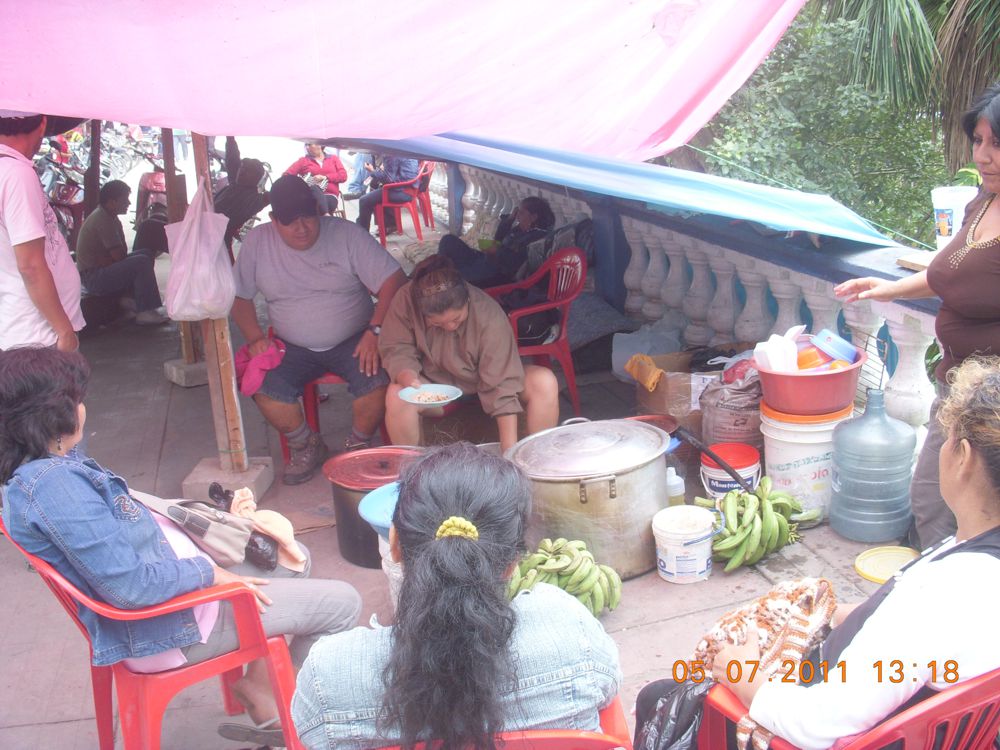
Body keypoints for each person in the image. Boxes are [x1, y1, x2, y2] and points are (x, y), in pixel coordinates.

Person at [0, 347, 362, 748]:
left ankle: (259, 689)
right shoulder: (55, 486)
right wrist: (209, 572)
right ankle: (297, 718)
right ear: (53, 413)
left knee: (292, 557)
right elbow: (131, 588)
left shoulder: (46, 467)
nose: (84, 407)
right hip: (168, 624)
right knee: (342, 603)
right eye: (77, 399)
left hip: (173, 592)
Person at [634, 356, 1000, 750]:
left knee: (658, 697)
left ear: (962, 457)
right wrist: (839, 611)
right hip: (949, 728)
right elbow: (920, 642)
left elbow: (815, 724)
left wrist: (743, 674)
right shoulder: (971, 557)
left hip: (843, 730)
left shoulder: (940, 597)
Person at [291, 442, 622, 750]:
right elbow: (608, 695)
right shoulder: (571, 630)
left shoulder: (327, 677)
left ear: (395, 546)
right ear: (512, 563)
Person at [835, 81, 1000, 549]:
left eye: (997, 144)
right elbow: (950, 273)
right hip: (956, 388)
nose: (983, 156)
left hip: (994, 405)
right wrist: (887, 287)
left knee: (965, 515)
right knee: (932, 501)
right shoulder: (983, 201)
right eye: (979, 141)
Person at [231, 175, 407, 485]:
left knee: (378, 381)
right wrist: (255, 338)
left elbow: (394, 280)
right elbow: (239, 296)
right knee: (259, 384)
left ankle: (357, 443)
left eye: (307, 217)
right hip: (290, 345)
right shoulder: (258, 242)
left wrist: (375, 331)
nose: (301, 227)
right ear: (273, 220)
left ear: (318, 210)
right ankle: (306, 444)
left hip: (354, 338)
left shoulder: (346, 236)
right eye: (289, 221)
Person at [379, 255, 560, 453]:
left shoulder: (488, 314)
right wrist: (406, 374)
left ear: (467, 299)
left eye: (456, 319)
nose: (449, 327)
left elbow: (502, 382)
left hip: (482, 382)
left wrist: (509, 452)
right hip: (434, 386)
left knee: (544, 381)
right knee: (397, 395)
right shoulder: (406, 300)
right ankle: (412, 470)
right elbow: (396, 346)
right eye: (437, 323)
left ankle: (537, 461)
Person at [0, 111, 84, 351]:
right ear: (43, 123)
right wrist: (64, 331)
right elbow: (30, 266)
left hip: (23, 327)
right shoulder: (16, 174)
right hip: (41, 334)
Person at [75, 180, 168, 325]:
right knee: (141, 261)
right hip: (93, 278)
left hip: (99, 270)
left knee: (145, 253)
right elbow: (120, 256)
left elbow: (120, 253)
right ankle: (145, 311)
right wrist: (110, 259)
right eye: (125, 200)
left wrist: (108, 259)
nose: (129, 203)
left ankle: (136, 301)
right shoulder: (102, 219)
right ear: (112, 202)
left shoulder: (110, 217)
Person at [439, 196, 556, 287]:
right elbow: (498, 239)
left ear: (534, 217)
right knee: (448, 241)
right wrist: (510, 220)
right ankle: (440, 274)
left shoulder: (538, 238)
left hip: (495, 275)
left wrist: (498, 251)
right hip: (486, 262)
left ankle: (442, 279)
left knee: (454, 272)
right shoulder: (520, 229)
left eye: (521, 212)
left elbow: (516, 263)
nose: (518, 216)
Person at [213, 136, 270, 255]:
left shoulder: (254, 199)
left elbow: (273, 196)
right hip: (206, 234)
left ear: (256, 177)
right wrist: (230, 138)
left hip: (220, 243)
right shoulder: (235, 183)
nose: (242, 172)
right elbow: (232, 159)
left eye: (247, 170)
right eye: (241, 168)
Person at [356, 155, 420, 234]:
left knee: (364, 200)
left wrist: (372, 171)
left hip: (401, 191)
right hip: (410, 189)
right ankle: (386, 225)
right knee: (374, 191)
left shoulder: (391, 155)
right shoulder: (403, 150)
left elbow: (388, 179)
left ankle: (362, 235)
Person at [284, 142, 347, 216]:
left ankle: (323, 216)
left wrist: (326, 177)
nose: (307, 147)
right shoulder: (303, 161)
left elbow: (343, 176)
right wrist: (301, 183)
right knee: (314, 187)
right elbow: (286, 175)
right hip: (311, 196)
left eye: (309, 144)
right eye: (306, 145)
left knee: (317, 206)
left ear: (319, 145)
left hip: (330, 196)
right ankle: (326, 215)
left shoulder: (333, 158)